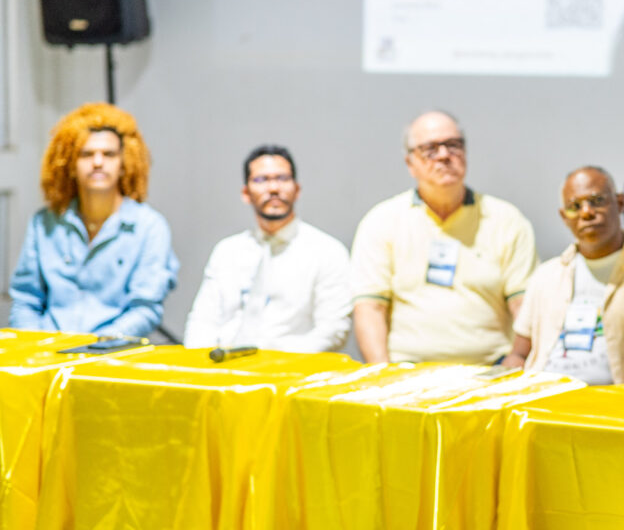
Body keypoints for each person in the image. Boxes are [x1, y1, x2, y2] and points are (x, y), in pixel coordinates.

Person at [350, 110, 537, 364]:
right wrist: (383, 375)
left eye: (453, 145)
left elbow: (524, 306)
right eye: (430, 149)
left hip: (490, 370)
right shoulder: (382, 220)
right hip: (407, 370)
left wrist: (517, 359)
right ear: (410, 163)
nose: (444, 155)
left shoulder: (506, 219)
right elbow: (370, 308)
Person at [8, 103, 179, 338]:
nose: (97, 162)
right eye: (86, 154)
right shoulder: (44, 223)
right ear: (69, 164)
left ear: (124, 163)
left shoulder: (150, 227)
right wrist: (35, 348)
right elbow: (26, 300)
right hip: (46, 354)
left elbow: (145, 310)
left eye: (108, 154)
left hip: (113, 356)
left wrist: (97, 348)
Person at [503, 166, 624, 384]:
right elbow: (519, 353)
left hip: (612, 408)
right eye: (574, 206)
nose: (586, 212)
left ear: (619, 203)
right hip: (542, 402)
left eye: (597, 200)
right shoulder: (546, 276)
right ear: (564, 216)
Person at [183, 145, 353, 352]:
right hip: (223, 373)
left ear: (297, 189)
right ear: (245, 193)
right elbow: (202, 322)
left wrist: (274, 365)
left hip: (293, 373)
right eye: (261, 180)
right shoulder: (227, 252)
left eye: (282, 179)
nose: (273, 188)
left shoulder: (327, 251)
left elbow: (333, 331)